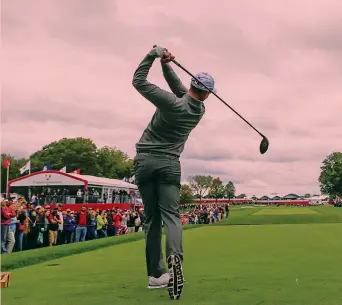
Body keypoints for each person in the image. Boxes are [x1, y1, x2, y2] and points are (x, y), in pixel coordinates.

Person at [132, 45, 216, 300]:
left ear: (193, 85)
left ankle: (156, 275)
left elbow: (138, 81)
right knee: (172, 216)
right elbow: (181, 90)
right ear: (208, 94)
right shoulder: (198, 110)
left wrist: (152, 54)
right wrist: (166, 65)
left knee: (152, 220)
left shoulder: (171, 103)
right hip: (170, 164)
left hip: (145, 161)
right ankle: (175, 258)